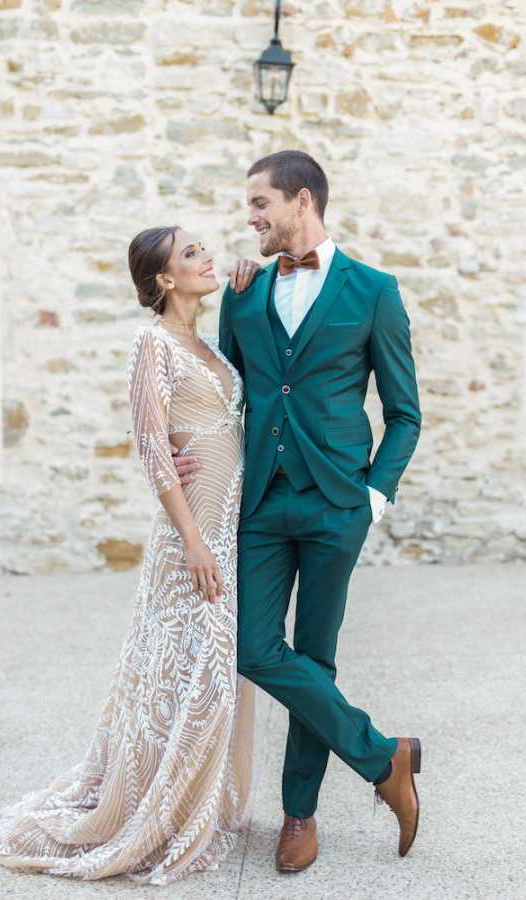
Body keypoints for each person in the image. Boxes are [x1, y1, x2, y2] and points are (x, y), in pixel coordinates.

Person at [0, 227, 260, 886]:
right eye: (190, 254)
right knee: (184, 676)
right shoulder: (152, 343)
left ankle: (197, 797)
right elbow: (154, 448)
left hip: (229, 532)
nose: (206, 258)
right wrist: (193, 542)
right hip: (191, 543)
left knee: (215, 678)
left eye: (203, 250)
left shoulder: (213, 346)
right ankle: (149, 809)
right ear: (162, 280)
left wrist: (248, 279)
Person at [171, 150, 423, 873]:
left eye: (260, 205)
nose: (249, 218)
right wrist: (188, 454)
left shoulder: (374, 291)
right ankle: (384, 757)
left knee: (315, 656)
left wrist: (373, 497)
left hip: (337, 501)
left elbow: (405, 413)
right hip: (261, 501)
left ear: (302, 200)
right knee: (252, 648)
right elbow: (228, 396)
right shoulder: (243, 293)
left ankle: (299, 815)